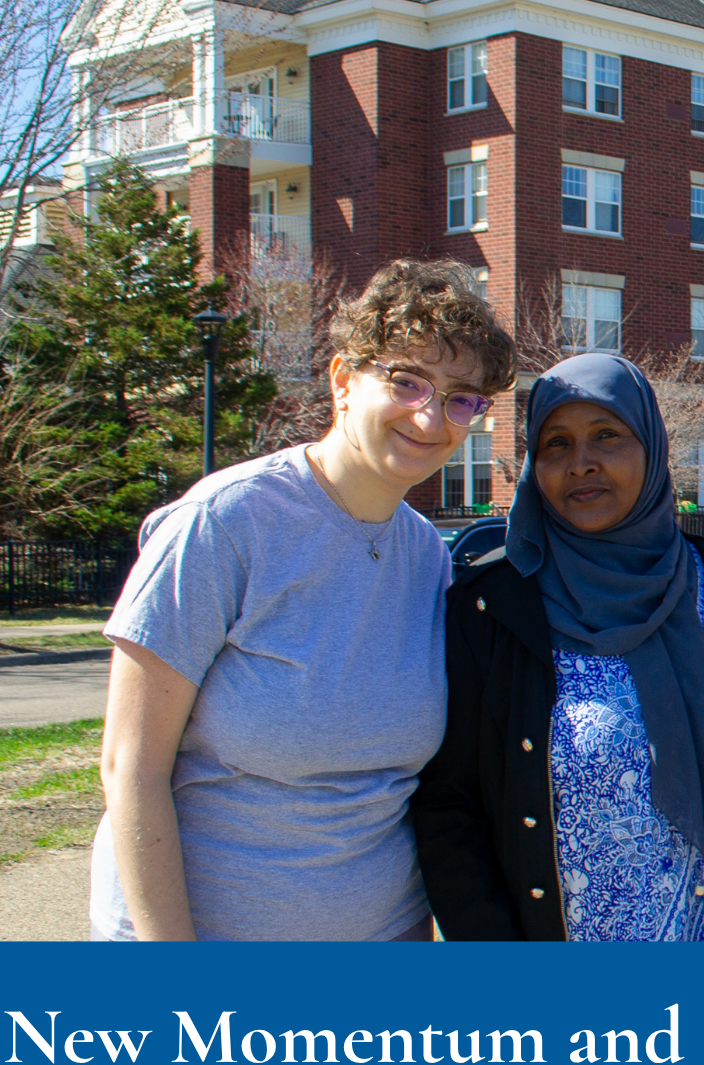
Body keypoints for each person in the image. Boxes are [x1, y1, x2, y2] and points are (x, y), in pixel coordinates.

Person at [92, 259, 515, 940]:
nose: (430, 415)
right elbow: (130, 769)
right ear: (343, 381)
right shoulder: (226, 523)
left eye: (461, 397)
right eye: (407, 381)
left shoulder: (428, 561)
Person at [414, 354, 704, 940]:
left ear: (651, 446)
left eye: (607, 435)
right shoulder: (495, 607)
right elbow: (450, 809)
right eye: (555, 444)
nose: (581, 464)